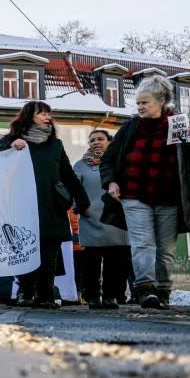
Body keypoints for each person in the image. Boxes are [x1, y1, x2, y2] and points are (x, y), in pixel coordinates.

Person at [100, 76, 190, 309]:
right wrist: (111, 183)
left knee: (165, 248)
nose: (139, 107)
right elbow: (108, 159)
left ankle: (164, 289)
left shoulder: (179, 124)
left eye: (144, 103)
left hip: (169, 197)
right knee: (142, 243)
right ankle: (146, 289)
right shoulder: (130, 127)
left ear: (161, 101)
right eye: (138, 103)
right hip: (134, 194)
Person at [0, 101, 89, 309]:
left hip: (52, 204)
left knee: (50, 252)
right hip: (22, 204)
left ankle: (46, 295)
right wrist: (10, 148)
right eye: (42, 113)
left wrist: (81, 199)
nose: (47, 117)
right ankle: (26, 292)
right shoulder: (11, 141)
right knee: (25, 249)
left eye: (48, 113)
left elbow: (67, 174)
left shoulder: (55, 144)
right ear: (28, 116)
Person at [73, 129, 131, 309]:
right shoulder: (81, 165)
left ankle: (110, 296)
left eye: (100, 139)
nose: (96, 142)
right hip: (90, 216)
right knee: (91, 262)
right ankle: (92, 296)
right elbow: (74, 188)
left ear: (109, 141)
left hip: (115, 217)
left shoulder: (119, 162)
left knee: (114, 261)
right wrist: (81, 206)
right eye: (92, 140)